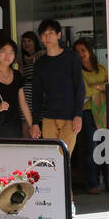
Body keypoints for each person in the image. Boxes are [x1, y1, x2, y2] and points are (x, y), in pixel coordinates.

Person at [28, 19, 85, 155]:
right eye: (44, 34)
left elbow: (80, 87)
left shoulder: (72, 57)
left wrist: (78, 115)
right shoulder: (40, 64)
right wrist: (35, 122)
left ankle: (65, 177)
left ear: (59, 35)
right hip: (48, 117)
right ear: (40, 38)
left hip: (70, 117)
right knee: (51, 158)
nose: (47, 37)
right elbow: (36, 95)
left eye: (51, 33)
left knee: (65, 156)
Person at [72, 37, 108, 193]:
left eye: (83, 50)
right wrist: (102, 88)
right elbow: (84, 91)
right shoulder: (77, 71)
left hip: (104, 111)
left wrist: (98, 86)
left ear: (90, 51)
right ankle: (92, 183)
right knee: (91, 149)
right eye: (77, 52)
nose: (81, 54)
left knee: (107, 148)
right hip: (87, 112)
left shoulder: (101, 68)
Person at [19, 30, 39, 113]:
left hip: (38, 91)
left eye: (29, 41)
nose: (26, 43)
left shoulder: (40, 54)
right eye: (24, 41)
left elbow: (43, 53)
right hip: (25, 93)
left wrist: (31, 58)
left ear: (35, 42)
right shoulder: (21, 58)